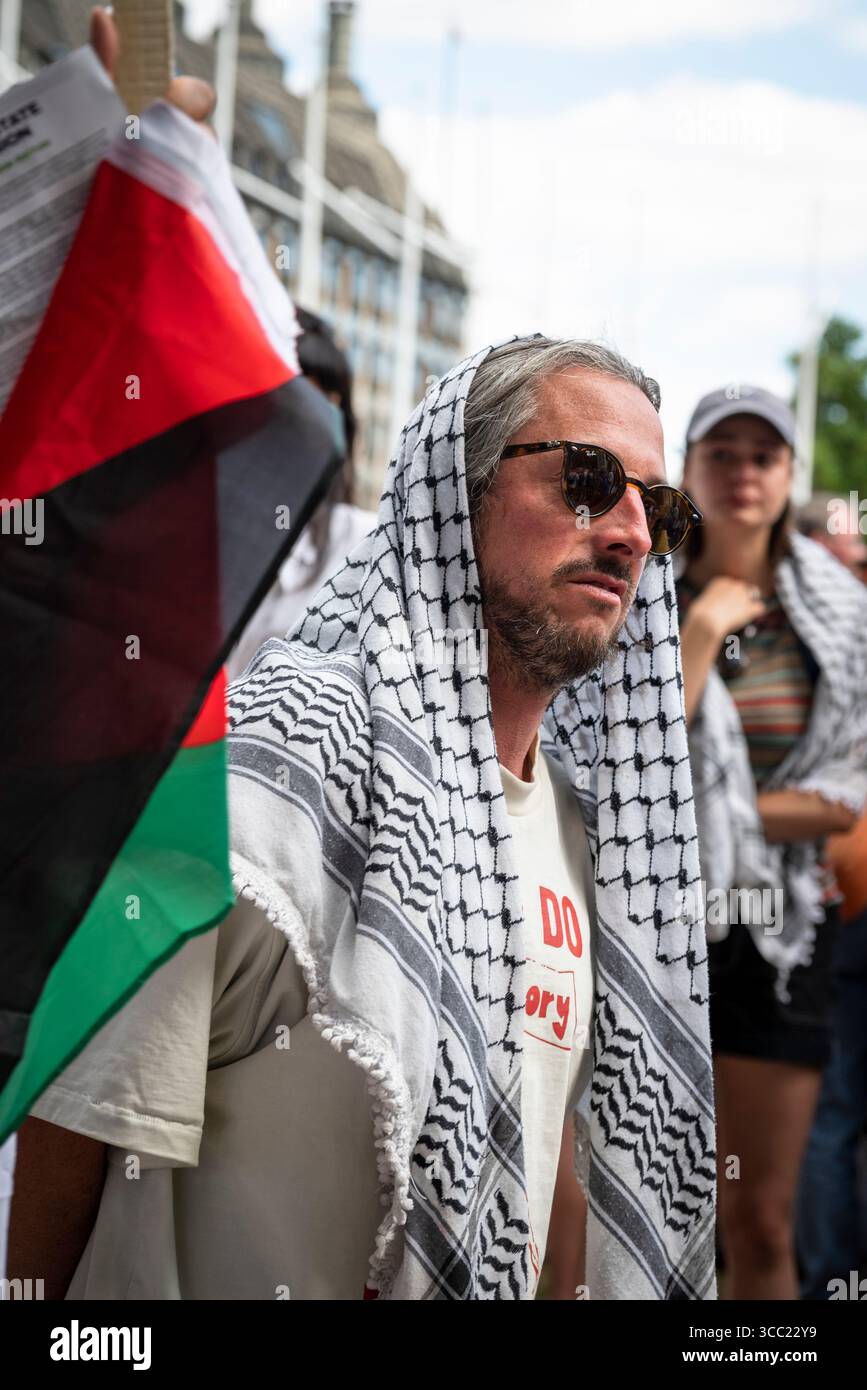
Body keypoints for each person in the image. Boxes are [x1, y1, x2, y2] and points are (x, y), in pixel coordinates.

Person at [10, 336, 717, 1301]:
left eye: (660, 507)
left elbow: (542, 1176)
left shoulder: (583, 834)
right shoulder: (285, 758)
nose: (632, 532)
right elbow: (86, 1111)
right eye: (588, 479)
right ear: (454, 494)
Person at [674, 384, 867, 1300]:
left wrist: (710, 802)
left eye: (763, 455)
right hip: (653, 915)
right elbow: (617, 759)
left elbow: (841, 800)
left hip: (776, 929)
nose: (742, 472)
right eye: (722, 452)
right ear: (688, 468)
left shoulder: (837, 610)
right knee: (640, 1202)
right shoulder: (640, 587)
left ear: (789, 475)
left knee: (757, 1219)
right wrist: (699, 636)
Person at [227, 308, 375, 681]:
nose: (309, 426)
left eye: (326, 402)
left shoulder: (362, 544)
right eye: (294, 400)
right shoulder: (199, 526)